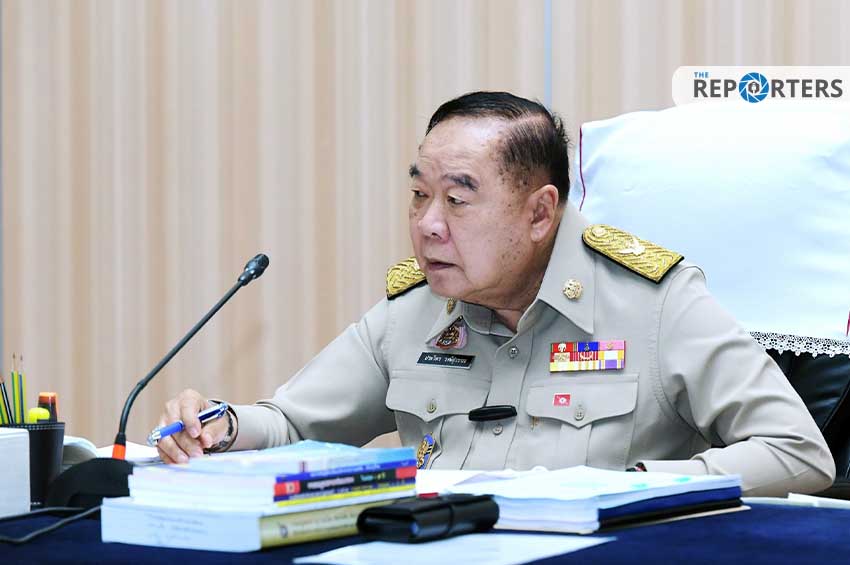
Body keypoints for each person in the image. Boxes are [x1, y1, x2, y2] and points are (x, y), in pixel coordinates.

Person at [156, 91, 835, 496]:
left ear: (540, 213)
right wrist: (223, 425)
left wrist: (633, 490)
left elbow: (797, 450)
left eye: (458, 199)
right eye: (419, 194)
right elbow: (296, 424)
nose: (428, 224)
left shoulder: (656, 304)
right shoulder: (414, 310)